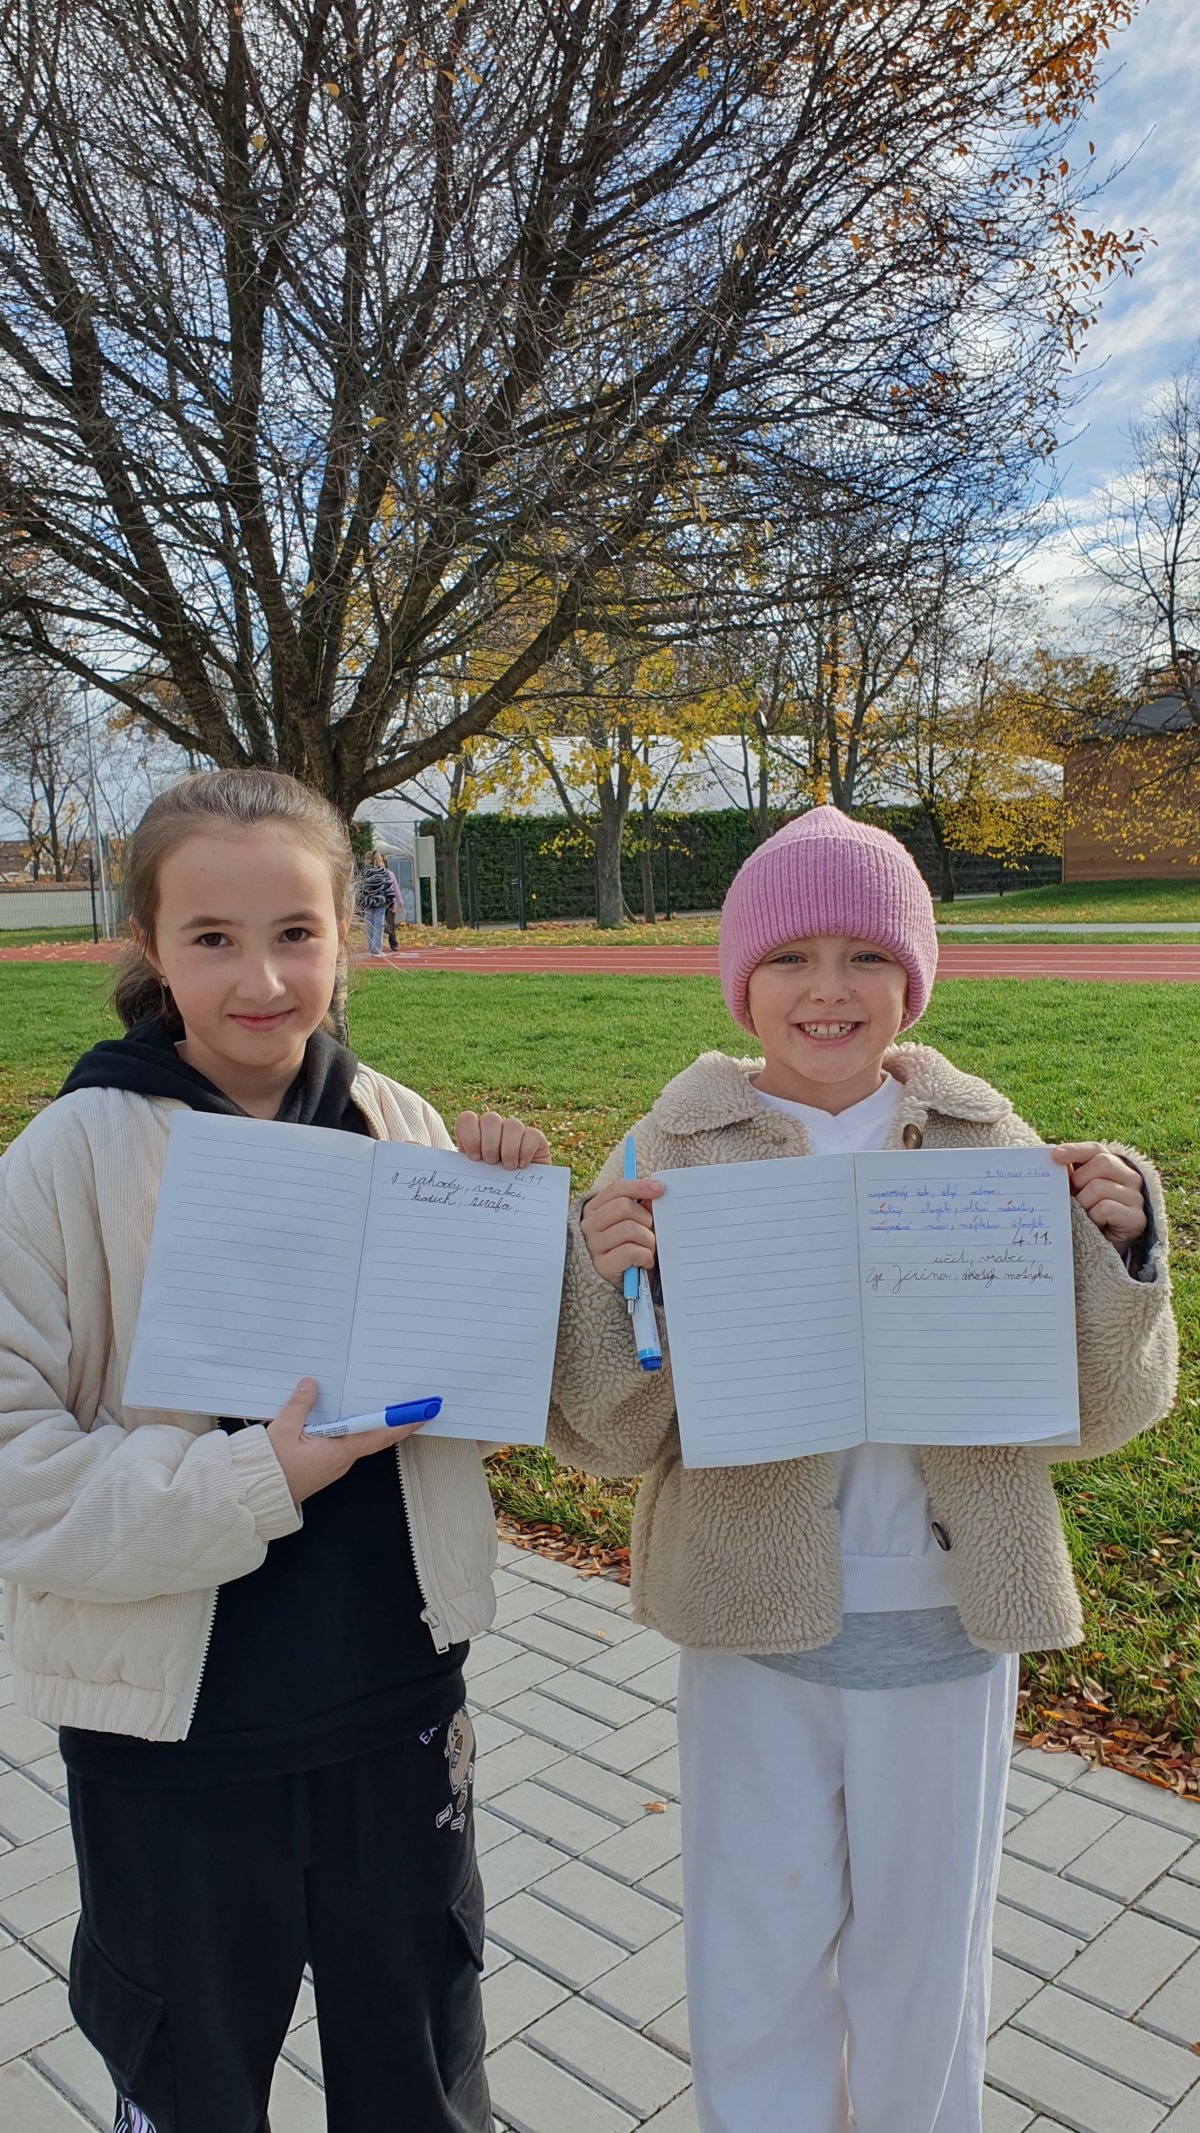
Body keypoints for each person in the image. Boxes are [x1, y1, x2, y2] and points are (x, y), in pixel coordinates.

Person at [550, 806, 1177, 2133]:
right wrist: (605, 1285)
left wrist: (1125, 1253)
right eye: (789, 957)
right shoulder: (667, 1153)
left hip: (948, 1620)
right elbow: (606, 1436)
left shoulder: (989, 1146)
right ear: (742, 981)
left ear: (914, 977)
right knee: (755, 1952)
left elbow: (1102, 1412)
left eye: (866, 956)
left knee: (926, 1961)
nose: (827, 989)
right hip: (749, 1625)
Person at [0, 768, 550, 2133]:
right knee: (191, 2089)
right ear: (148, 944)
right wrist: (259, 1480)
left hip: (393, 1713)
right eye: (213, 938)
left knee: (421, 2084)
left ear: (346, 933)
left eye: (297, 933)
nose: (262, 979)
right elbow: (16, 1473)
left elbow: (479, 1400)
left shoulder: (403, 1130)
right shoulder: (66, 1160)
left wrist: (507, 1234)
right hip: (172, 1742)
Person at [355, 848, 394, 955]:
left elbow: (360, 889)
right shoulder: (384, 872)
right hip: (380, 902)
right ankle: (376, 948)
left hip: (368, 903)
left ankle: (370, 946)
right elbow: (388, 888)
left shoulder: (364, 873)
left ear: (369, 860)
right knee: (378, 925)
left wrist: (359, 902)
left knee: (369, 925)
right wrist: (391, 902)